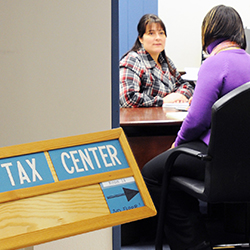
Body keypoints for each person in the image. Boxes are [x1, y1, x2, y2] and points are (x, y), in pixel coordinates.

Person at [142, 5, 250, 250]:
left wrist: (177, 144)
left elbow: (196, 121)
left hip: (216, 160)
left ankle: (194, 244)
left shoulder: (214, 63)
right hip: (244, 162)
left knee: (155, 172)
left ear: (209, 31)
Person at [119, 14, 194, 107]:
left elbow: (186, 86)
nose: (158, 38)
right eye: (151, 33)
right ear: (141, 39)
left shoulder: (166, 62)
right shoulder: (132, 60)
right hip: (142, 120)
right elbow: (128, 98)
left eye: (161, 33)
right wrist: (163, 101)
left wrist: (179, 96)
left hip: (167, 117)